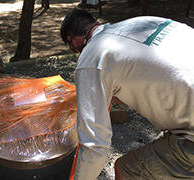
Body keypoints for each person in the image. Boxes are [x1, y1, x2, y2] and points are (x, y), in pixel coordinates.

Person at [60, 8, 194, 180]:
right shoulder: (139, 23)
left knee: (126, 170)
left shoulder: (92, 57)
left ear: (72, 40)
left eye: (72, 48)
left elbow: (95, 148)